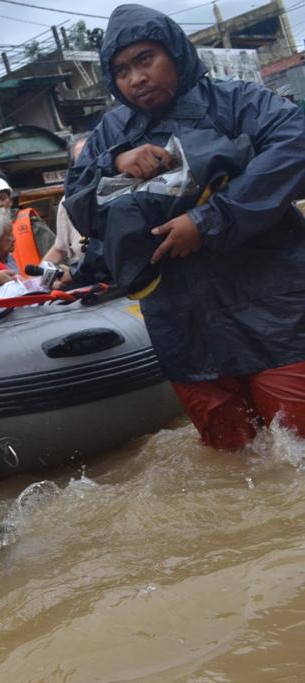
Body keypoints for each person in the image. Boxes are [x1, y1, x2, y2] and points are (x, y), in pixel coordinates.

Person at [63, 4, 305, 449]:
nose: (135, 77)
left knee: (296, 456)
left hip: (276, 315)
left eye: (145, 59)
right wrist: (115, 161)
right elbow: (78, 198)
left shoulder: (238, 102)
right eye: (120, 70)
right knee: (235, 468)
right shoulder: (110, 132)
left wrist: (210, 219)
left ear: (175, 53)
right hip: (185, 329)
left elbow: (296, 145)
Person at [0, 176, 55, 272]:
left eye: (3, 198)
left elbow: (54, 252)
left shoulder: (30, 222)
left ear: (10, 201)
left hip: (38, 283)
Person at [43, 135, 89, 268]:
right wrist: (35, 280)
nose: (88, 160)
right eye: (81, 157)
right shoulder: (68, 200)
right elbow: (59, 249)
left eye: (91, 152)